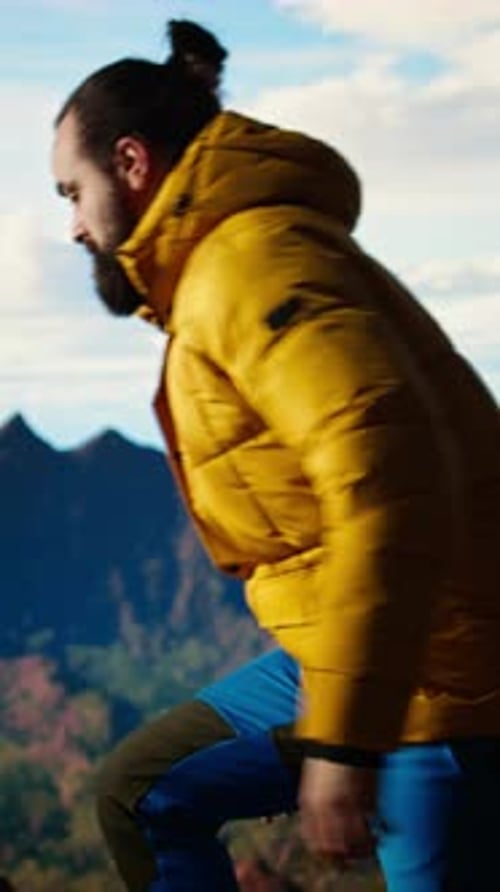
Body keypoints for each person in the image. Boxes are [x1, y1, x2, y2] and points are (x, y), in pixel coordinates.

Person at [51, 18, 500, 892]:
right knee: (142, 791)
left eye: (71, 191)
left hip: (443, 675)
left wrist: (344, 741)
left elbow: (390, 488)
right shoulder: (219, 269)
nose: (69, 225)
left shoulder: (251, 264)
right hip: (352, 647)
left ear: (133, 164)